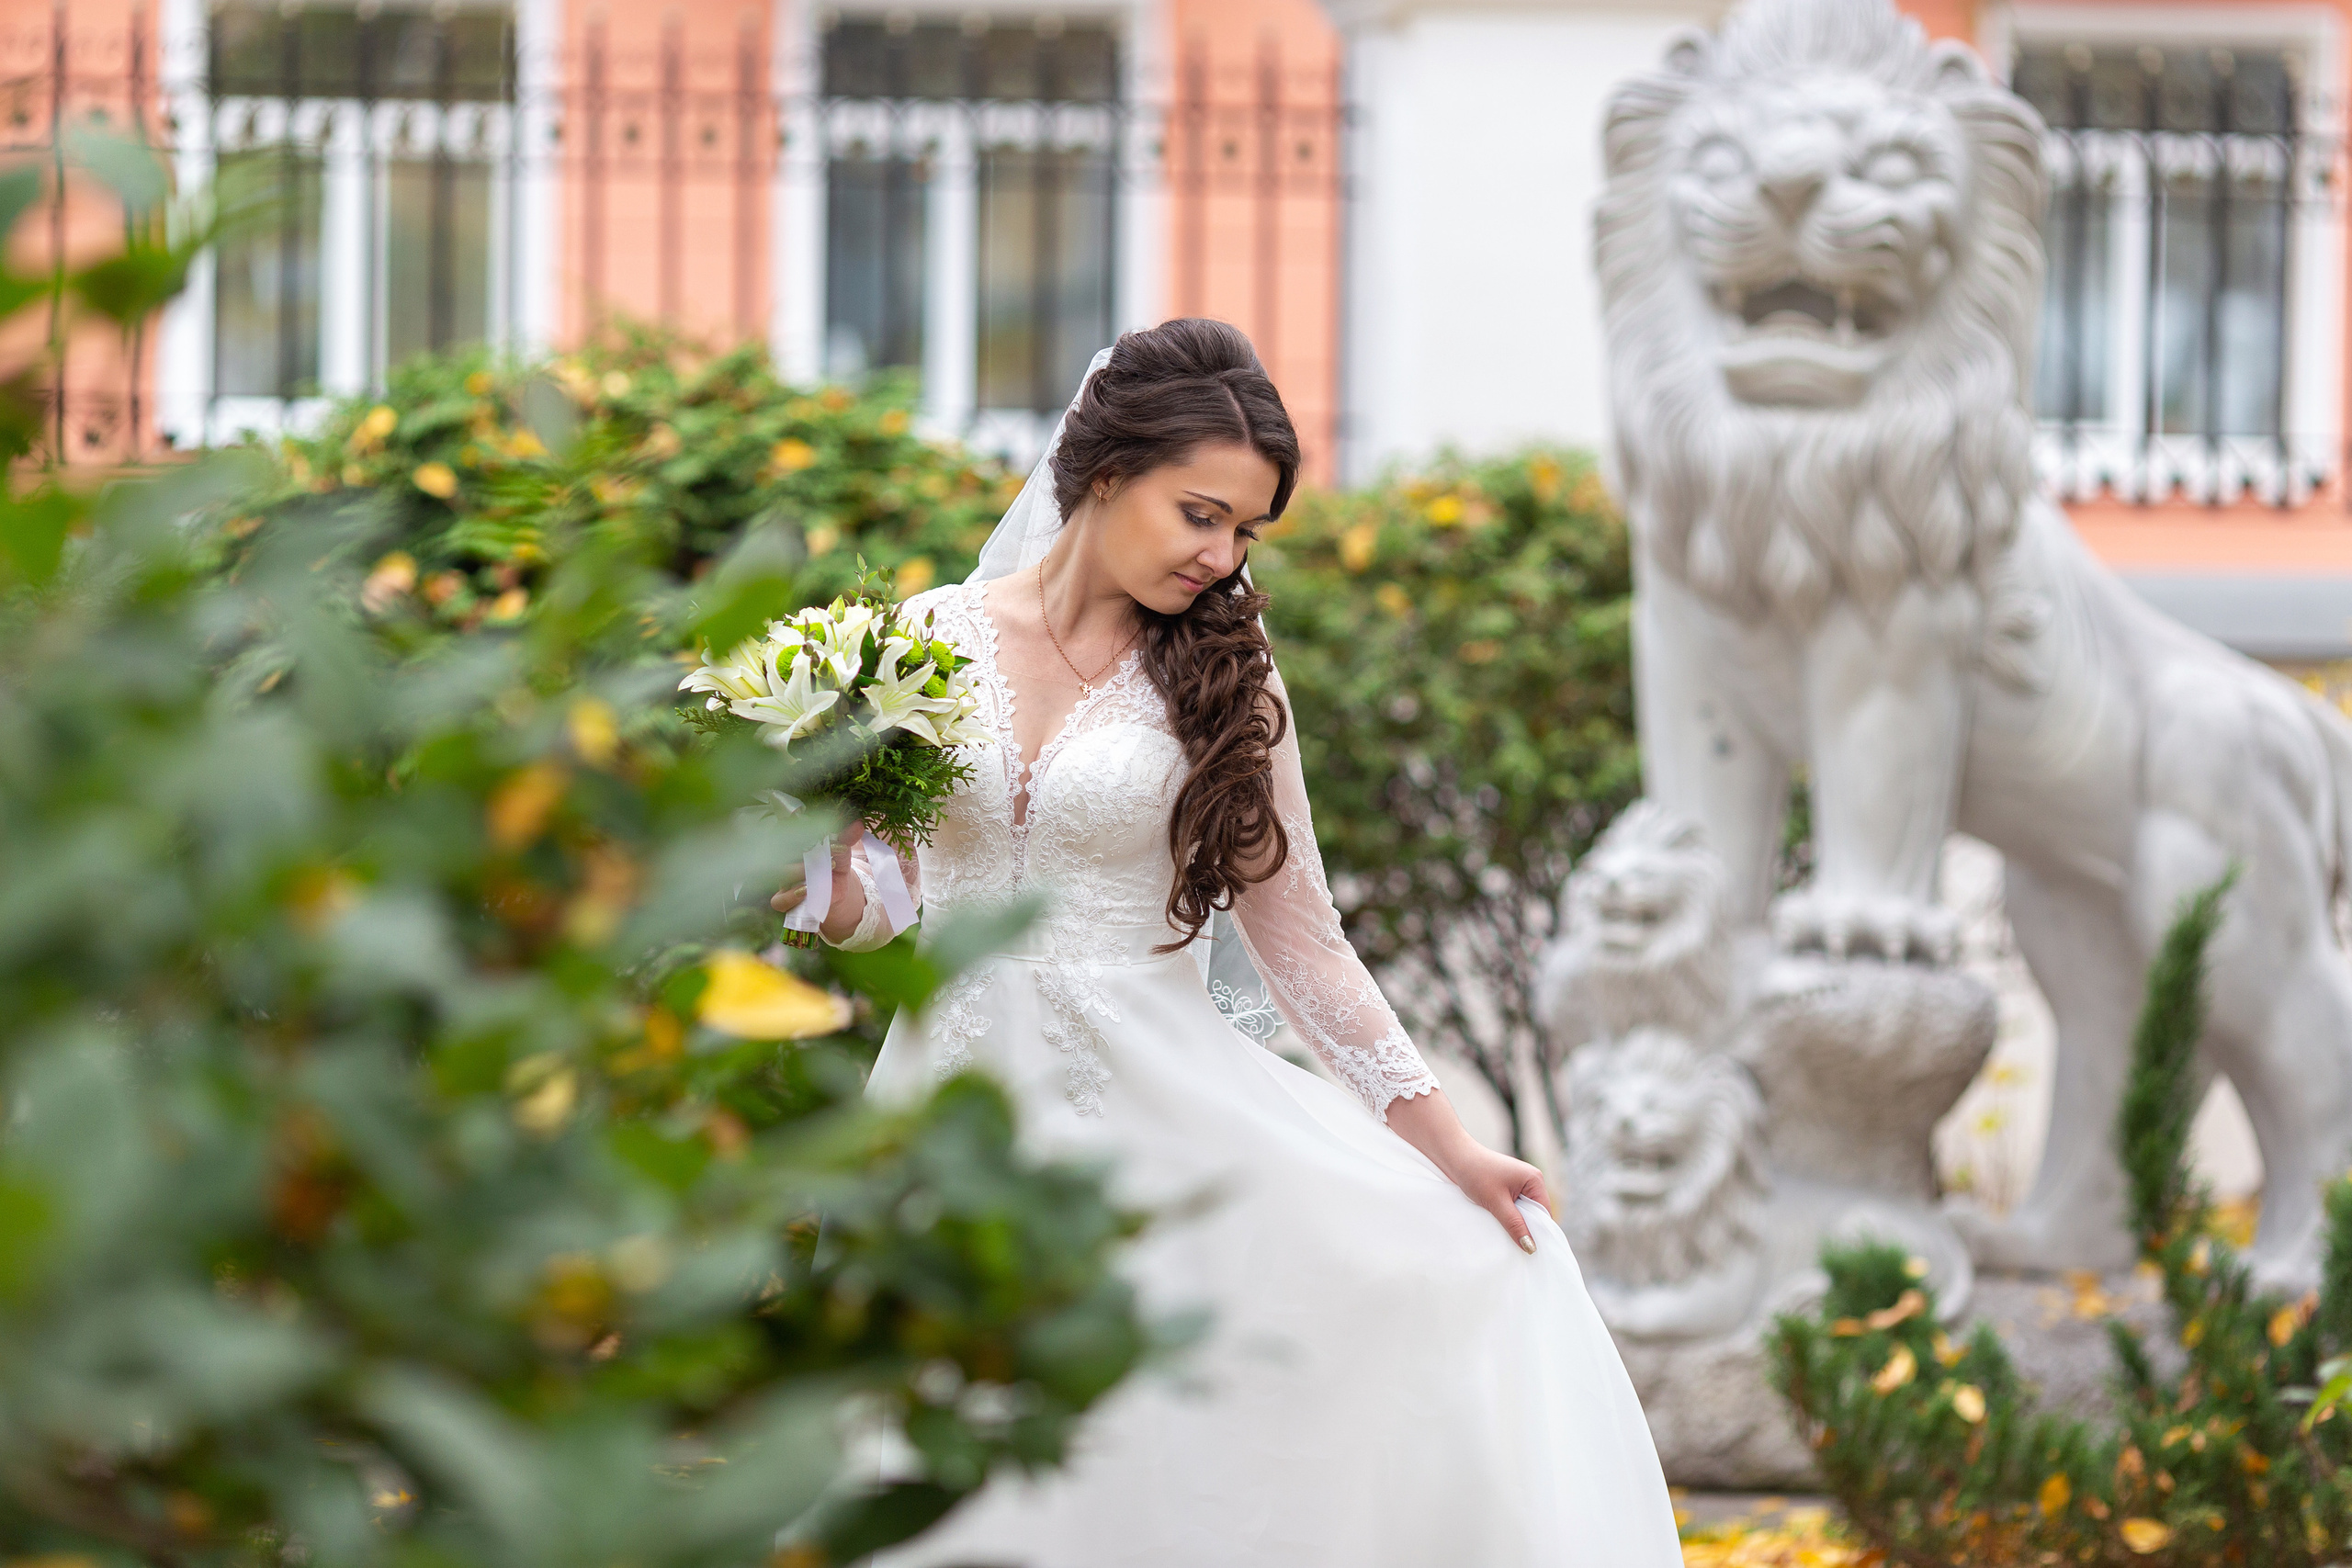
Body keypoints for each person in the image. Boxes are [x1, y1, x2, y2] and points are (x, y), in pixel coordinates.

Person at [775, 319, 1681, 1566]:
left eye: (1245, 531)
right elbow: (887, 897)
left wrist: (1450, 1145)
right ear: (1105, 474)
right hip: (946, 1115)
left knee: (1151, 1470)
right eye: (1201, 514)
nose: (1221, 556)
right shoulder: (922, 639)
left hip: (1157, 1133)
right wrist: (803, 880)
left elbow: (1302, 943)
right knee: (943, 1456)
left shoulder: (1228, 682)